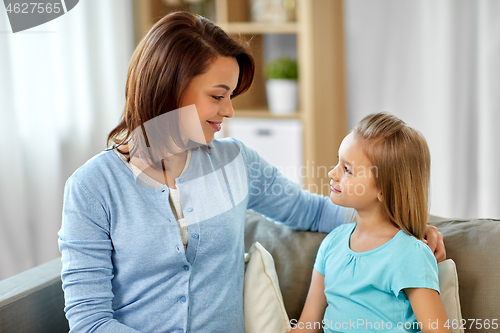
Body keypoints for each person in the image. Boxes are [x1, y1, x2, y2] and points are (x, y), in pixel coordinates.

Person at [58, 12, 445, 333]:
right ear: (169, 87)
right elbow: (90, 320)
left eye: (231, 96)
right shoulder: (93, 188)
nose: (229, 111)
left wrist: (405, 226)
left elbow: (313, 211)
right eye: (217, 95)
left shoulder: (235, 163)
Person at [292, 113, 450, 333]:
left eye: (347, 169)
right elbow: (307, 325)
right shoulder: (331, 244)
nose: (331, 173)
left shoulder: (410, 254)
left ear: (384, 189)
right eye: (338, 162)